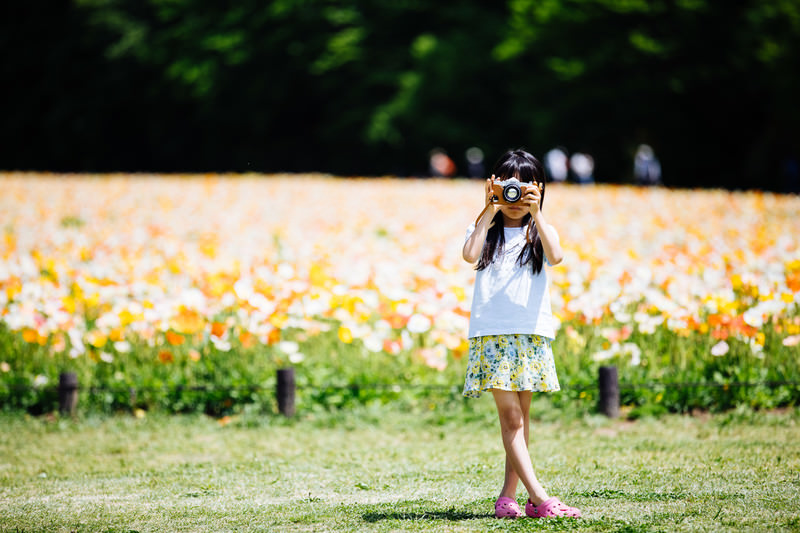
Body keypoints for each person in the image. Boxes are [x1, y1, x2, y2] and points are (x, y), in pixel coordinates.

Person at [462, 149, 581, 519]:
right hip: (493, 334)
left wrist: (537, 212)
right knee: (511, 419)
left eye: (523, 187)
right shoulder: (485, 226)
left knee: (522, 420)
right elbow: (469, 254)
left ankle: (508, 497)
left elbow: (557, 256)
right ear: (494, 186)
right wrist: (488, 209)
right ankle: (542, 499)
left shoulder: (540, 229)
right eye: (507, 187)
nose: (514, 197)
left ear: (538, 189)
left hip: (530, 334)